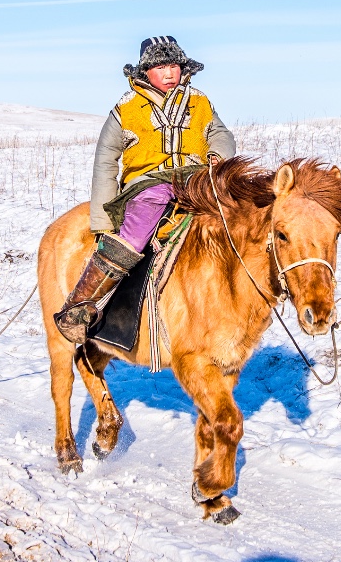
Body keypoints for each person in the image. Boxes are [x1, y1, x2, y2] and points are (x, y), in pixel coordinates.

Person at [53, 36, 237, 344]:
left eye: (174, 66)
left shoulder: (199, 101)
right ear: (145, 71)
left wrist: (218, 155)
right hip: (148, 184)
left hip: (197, 179)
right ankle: (80, 306)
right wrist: (102, 220)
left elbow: (219, 132)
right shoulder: (126, 108)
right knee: (137, 231)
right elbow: (106, 160)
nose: (169, 74)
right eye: (160, 67)